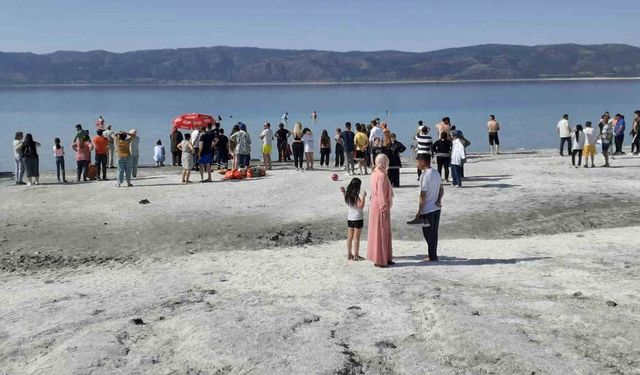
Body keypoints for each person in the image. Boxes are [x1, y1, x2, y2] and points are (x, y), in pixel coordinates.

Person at [413, 153, 444, 262]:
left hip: (428, 209)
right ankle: (433, 255)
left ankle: (432, 256)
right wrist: (439, 200)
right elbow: (441, 189)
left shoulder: (424, 175)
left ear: (423, 162)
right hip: (436, 208)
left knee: (428, 234)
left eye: (417, 162)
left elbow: (423, 194)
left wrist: (419, 211)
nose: (416, 164)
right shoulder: (436, 173)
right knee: (434, 233)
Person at [367, 154, 394, 268]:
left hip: (374, 205)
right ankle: (380, 259)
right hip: (380, 206)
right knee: (381, 232)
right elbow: (381, 194)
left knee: (379, 232)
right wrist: (384, 208)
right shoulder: (382, 176)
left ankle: (385, 257)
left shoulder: (374, 173)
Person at [340, 178, 366, 261]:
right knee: (356, 238)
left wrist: (344, 192)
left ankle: (349, 254)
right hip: (358, 218)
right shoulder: (356, 196)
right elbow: (361, 207)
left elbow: (346, 201)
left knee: (350, 237)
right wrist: (364, 197)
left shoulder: (348, 195)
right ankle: (356, 255)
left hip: (350, 218)